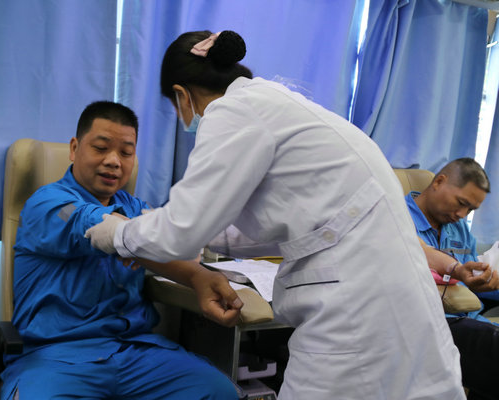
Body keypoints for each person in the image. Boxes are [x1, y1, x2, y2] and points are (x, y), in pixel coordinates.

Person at [85, 30, 465, 399]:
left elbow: (182, 229)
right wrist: (164, 233)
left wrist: (117, 234)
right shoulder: (279, 104)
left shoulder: (231, 111)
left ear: (182, 95)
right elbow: (280, 220)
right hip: (397, 297)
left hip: (353, 307)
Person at [0, 101, 243, 400]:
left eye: (126, 153)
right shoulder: (49, 203)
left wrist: (198, 276)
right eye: (101, 148)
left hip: (136, 351)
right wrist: (143, 239)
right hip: (57, 357)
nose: (114, 161)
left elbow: (169, 244)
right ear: (74, 148)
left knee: (218, 392)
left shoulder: (135, 207)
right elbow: (92, 225)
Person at [406, 157, 499, 400]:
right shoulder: (398, 218)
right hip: (429, 322)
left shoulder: (458, 229)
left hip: (468, 318)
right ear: (439, 181)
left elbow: (471, 280)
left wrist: (488, 281)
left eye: (470, 210)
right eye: (461, 203)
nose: (462, 214)